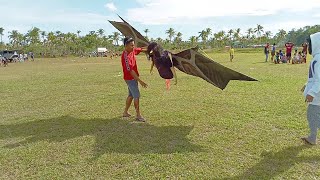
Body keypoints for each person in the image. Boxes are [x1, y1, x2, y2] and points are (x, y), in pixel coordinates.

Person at [121, 37, 148, 122]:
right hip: (130, 78)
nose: (133, 47)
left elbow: (140, 49)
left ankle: (125, 112)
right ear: (126, 46)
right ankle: (138, 115)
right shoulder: (125, 57)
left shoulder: (132, 50)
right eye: (131, 45)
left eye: (133, 45)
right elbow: (131, 71)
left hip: (133, 78)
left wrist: (150, 49)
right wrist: (140, 81)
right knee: (136, 96)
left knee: (131, 95)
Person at [301, 32, 320, 145]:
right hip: (316, 92)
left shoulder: (318, 59)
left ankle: (312, 138)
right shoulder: (316, 58)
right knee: (313, 115)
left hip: (317, 94)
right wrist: (306, 85)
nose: (308, 46)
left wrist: (311, 92)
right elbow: (314, 77)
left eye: (309, 43)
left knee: (312, 115)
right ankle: (312, 137)